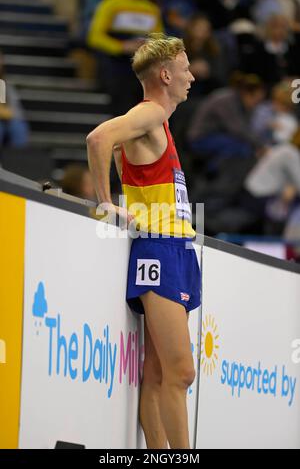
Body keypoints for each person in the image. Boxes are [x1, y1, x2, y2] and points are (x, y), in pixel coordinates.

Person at [87, 34, 201, 449]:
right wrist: (105, 203)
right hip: (160, 248)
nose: (192, 76)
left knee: (157, 374)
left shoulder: (160, 122)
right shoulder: (150, 112)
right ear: (166, 74)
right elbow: (98, 138)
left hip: (175, 248)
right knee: (180, 373)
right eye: (186, 68)